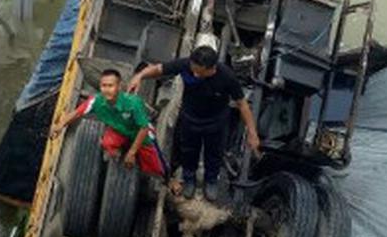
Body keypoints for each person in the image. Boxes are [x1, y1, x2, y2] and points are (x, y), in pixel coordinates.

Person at [128, 45, 260, 200]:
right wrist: (140, 76)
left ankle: (211, 180)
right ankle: (189, 178)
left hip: (215, 123)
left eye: (199, 72)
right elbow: (159, 69)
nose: (195, 74)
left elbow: (242, 104)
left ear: (212, 69)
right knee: (188, 151)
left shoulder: (227, 77)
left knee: (214, 154)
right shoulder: (186, 64)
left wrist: (252, 132)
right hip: (190, 119)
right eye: (193, 70)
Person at [50, 68, 166, 177]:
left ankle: (166, 179)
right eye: (103, 86)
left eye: (110, 86)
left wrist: (132, 152)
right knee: (108, 143)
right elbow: (77, 113)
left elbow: (144, 128)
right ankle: (119, 160)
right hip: (120, 130)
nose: (106, 90)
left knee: (157, 169)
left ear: (119, 86)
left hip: (141, 134)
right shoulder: (97, 101)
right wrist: (60, 125)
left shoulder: (133, 103)